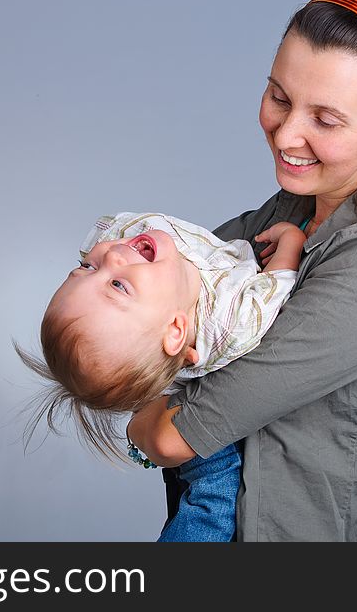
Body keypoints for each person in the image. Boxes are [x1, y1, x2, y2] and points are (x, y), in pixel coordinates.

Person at [127, 0, 357, 541]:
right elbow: (154, 307)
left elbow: (175, 433)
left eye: (326, 119)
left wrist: (144, 415)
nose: (286, 134)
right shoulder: (295, 207)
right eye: (279, 97)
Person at [17, 211, 306, 541]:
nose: (109, 254)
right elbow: (273, 289)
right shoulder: (230, 320)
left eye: (87, 268)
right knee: (214, 498)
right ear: (177, 330)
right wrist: (291, 244)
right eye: (117, 285)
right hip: (190, 416)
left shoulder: (146, 269)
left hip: (157, 400)